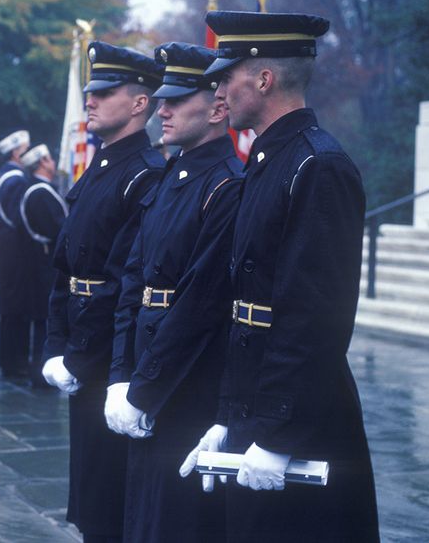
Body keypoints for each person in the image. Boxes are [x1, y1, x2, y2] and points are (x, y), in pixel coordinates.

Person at [179, 11, 380, 542]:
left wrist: (277, 435)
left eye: (226, 77)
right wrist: (228, 414)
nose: (217, 89)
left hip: (302, 415)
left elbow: (315, 318)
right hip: (258, 403)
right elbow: (244, 305)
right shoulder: (269, 162)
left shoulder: (318, 166)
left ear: (263, 79)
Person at [105, 42, 243, 542]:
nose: (161, 109)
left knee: (176, 518)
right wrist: (120, 377)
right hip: (146, 363)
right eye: (162, 98)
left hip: (188, 379)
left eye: (177, 99)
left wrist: (144, 391)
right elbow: (132, 281)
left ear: (217, 108)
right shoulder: (171, 177)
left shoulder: (227, 186)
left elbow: (200, 303)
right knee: (142, 513)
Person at [41, 41, 165, 542]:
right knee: (91, 495)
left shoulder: (145, 173)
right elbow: (66, 264)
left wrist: (81, 356)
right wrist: (55, 343)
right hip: (83, 349)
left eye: (105, 92)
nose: (90, 100)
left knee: (111, 499)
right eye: (91, 91)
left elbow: (119, 284)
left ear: (140, 103)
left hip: (112, 356)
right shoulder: (104, 165)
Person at [17, 144, 67, 389]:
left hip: (41, 265)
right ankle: (41, 374)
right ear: (42, 163)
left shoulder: (41, 190)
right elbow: (59, 230)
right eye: (49, 159)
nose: (53, 163)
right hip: (44, 266)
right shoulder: (40, 193)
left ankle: (41, 371)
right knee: (44, 322)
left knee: (44, 322)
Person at [0, 129, 37, 380]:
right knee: (16, 308)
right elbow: (18, 218)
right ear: (16, 152)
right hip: (16, 250)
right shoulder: (16, 179)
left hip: (8, 249)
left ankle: (11, 360)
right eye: (26, 149)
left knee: (13, 308)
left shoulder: (5, 174)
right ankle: (14, 361)